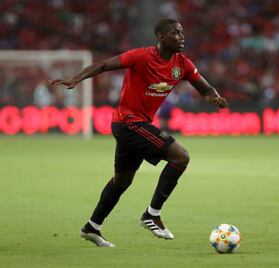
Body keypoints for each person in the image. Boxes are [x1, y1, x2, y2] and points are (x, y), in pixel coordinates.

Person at [49, 18, 228, 248]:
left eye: (182, 33)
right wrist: (76, 78)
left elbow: (204, 87)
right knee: (181, 156)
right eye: (175, 33)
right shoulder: (141, 56)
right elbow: (104, 65)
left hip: (134, 125)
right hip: (128, 123)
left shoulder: (182, 64)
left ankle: (92, 227)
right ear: (161, 37)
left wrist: (214, 97)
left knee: (121, 181)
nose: (181, 37)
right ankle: (152, 214)